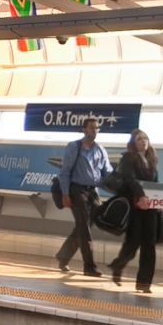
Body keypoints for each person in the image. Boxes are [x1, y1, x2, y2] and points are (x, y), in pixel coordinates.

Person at [53, 117, 111, 276]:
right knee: (84, 227)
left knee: (84, 225)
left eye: (96, 128)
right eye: (91, 127)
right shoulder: (74, 147)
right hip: (77, 190)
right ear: (84, 130)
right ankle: (89, 266)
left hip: (93, 191)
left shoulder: (100, 150)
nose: (94, 130)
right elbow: (65, 172)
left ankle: (63, 256)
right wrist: (65, 193)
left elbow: (107, 173)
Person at [108, 130, 163, 293]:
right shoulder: (128, 158)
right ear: (133, 143)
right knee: (133, 240)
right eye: (139, 139)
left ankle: (144, 282)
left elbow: (155, 181)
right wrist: (141, 196)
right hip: (135, 206)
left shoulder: (152, 159)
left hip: (150, 209)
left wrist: (158, 197)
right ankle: (118, 265)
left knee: (149, 244)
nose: (143, 141)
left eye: (145, 138)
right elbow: (130, 179)